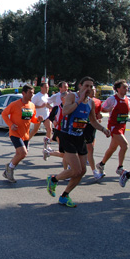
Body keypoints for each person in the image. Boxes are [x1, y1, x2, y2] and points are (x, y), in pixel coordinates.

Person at [45, 77, 111, 207]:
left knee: (82, 171)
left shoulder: (91, 102)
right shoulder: (71, 96)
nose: (89, 89)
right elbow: (65, 111)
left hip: (80, 137)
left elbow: (92, 121)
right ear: (80, 86)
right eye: (86, 86)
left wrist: (103, 129)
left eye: (91, 86)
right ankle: (53, 179)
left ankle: (64, 196)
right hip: (67, 136)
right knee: (75, 170)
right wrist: (79, 101)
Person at [1, 84, 43, 183]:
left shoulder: (32, 105)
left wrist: (38, 120)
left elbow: (32, 119)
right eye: (30, 93)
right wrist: (11, 124)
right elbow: (4, 114)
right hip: (15, 133)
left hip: (25, 135)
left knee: (20, 154)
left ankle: (7, 171)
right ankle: (9, 169)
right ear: (23, 93)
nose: (32, 95)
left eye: (33, 93)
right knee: (23, 153)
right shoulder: (15, 104)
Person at [95, 79, 130, 178]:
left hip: (123, 126)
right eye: (124, 87)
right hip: (114, 126)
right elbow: (102, 108)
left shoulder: (129, 100)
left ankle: (101, 164)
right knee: (125, 145)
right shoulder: (112, 99)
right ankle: (120, 167)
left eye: (127, 87)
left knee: (112, 148)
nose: (126, 89)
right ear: (118, 89)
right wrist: (108, 109)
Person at [85, 86, 104, 180]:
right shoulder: (82, 100)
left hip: (92, 126)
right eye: (91, 90)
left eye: (94, 90)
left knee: (90, 148)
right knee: (87, 148)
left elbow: (97, 114)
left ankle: (94, 172)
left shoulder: (97, 101)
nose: (93, 92)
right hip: (82, 126)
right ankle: (70, 167)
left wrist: (99, 118)